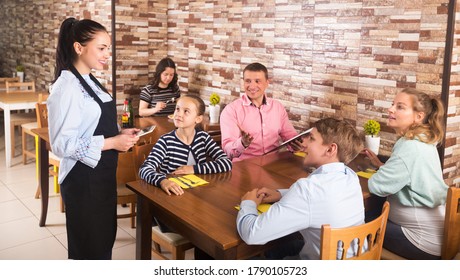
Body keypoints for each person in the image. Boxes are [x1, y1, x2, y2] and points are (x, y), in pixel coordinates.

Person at [47, 18, 140, 260]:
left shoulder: (90, 80)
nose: (107, 54)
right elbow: (61, 145)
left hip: (102, 177)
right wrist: (111, 143)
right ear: (79, 48)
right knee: (89, 251)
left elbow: (90, 126)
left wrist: (120, 135)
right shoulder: (66, 87)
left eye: (108, 48)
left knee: (102, 243)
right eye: (101, 48)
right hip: (83, 181)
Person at [237, 118, 365, 260]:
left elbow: (252, 234)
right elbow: (319, 200)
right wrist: (281, 194)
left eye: (311, 139)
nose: (304, 143)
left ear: (330, 149)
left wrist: (248, 203)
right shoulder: (351, 177)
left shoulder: (307, 190)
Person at [364, 88, 448, 260]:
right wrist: (382, 166)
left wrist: (380, 173)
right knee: (371, 211)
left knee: (355, 222)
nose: (391, 109)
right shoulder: (424, 141)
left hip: (421, 241)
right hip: (436, 235)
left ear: (418, 116)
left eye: (400, 107)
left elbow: (376, 186)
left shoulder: (409, 147)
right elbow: (413, 175)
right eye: (393, 104)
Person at [139, 94, 232, 196]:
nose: (179, 114)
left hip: (197, 195)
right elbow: (145, 169)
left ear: (198, 119)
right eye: (177, 109)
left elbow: (226, 163)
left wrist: (194, 169)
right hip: (173, 195)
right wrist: (163, 181)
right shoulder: (165, 141)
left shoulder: (203, 138)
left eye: (186, 111)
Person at [220, 62, 301, 161]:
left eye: (257, 81)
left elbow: (291, 138)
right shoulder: (231, 111)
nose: (252, 86)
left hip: (273, 165)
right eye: (248, 81)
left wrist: (299, 144)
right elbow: (227, 151)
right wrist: (242, 143)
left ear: (267, 83)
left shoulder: (278, 107)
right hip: (243, 167)